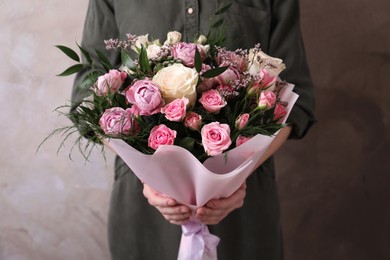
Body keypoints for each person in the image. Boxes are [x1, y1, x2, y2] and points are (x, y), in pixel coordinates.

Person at [72, 0, 316, 259]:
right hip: (144, 213)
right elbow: (85, 99)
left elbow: (297, 103)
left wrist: (232, 179)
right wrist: (149, 174)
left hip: (244, 212)